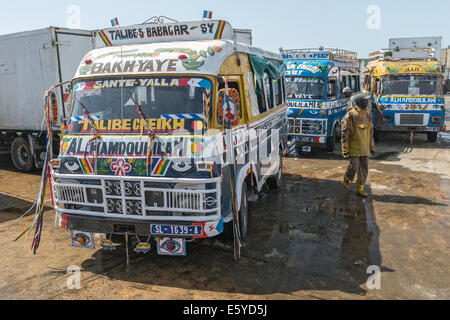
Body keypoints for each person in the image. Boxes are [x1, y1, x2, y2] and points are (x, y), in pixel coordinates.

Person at [341, 93, 375, 197]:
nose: (366, 102)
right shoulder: (350, 115)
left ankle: (360, 188)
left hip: (364, 147)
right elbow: (344, 133)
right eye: (364, 101)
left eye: (367, 101)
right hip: (354, 146)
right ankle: (347, 177)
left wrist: (372, 146)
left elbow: (370, 132)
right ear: (358, 102)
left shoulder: (368, 114)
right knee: (354, 167)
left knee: (364, 168)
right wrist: (344, 149)